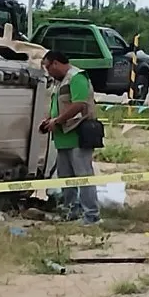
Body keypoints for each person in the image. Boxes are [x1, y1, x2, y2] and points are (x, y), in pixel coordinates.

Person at [39, 50, 100, 225]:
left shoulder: (76, 77)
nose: (48, 72)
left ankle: (91, 215)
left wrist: (57, 120)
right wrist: (50, 120)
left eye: (48, 68)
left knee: (83, 176)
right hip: (63, 137)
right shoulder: (61, 82)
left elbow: (79, 104)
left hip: (78, 136)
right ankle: (71, 210)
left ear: (56, 63)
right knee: (66, 177)